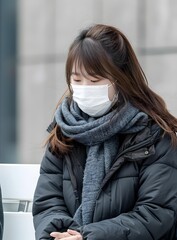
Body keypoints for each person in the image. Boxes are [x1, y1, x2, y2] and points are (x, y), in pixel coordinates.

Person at [32, 24, 177, 240]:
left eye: (95, 80)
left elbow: (156, 213)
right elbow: (48, 202)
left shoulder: (155, 134)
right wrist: (60, 235)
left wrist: (88, 236)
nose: (85, 88)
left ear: (121, 80)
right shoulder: (64, 132)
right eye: (77, 80)